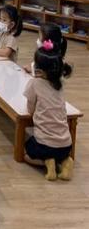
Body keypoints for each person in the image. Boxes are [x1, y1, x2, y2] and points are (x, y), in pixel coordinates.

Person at [23, 46, 73, 181]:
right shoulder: (59, 84)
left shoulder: (35, 83)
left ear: (39, 69)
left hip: (44, 145)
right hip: (66, 145)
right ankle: (65, 161)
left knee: (24, 154)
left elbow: (30, 110)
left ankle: (48, 162)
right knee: (60, 153)